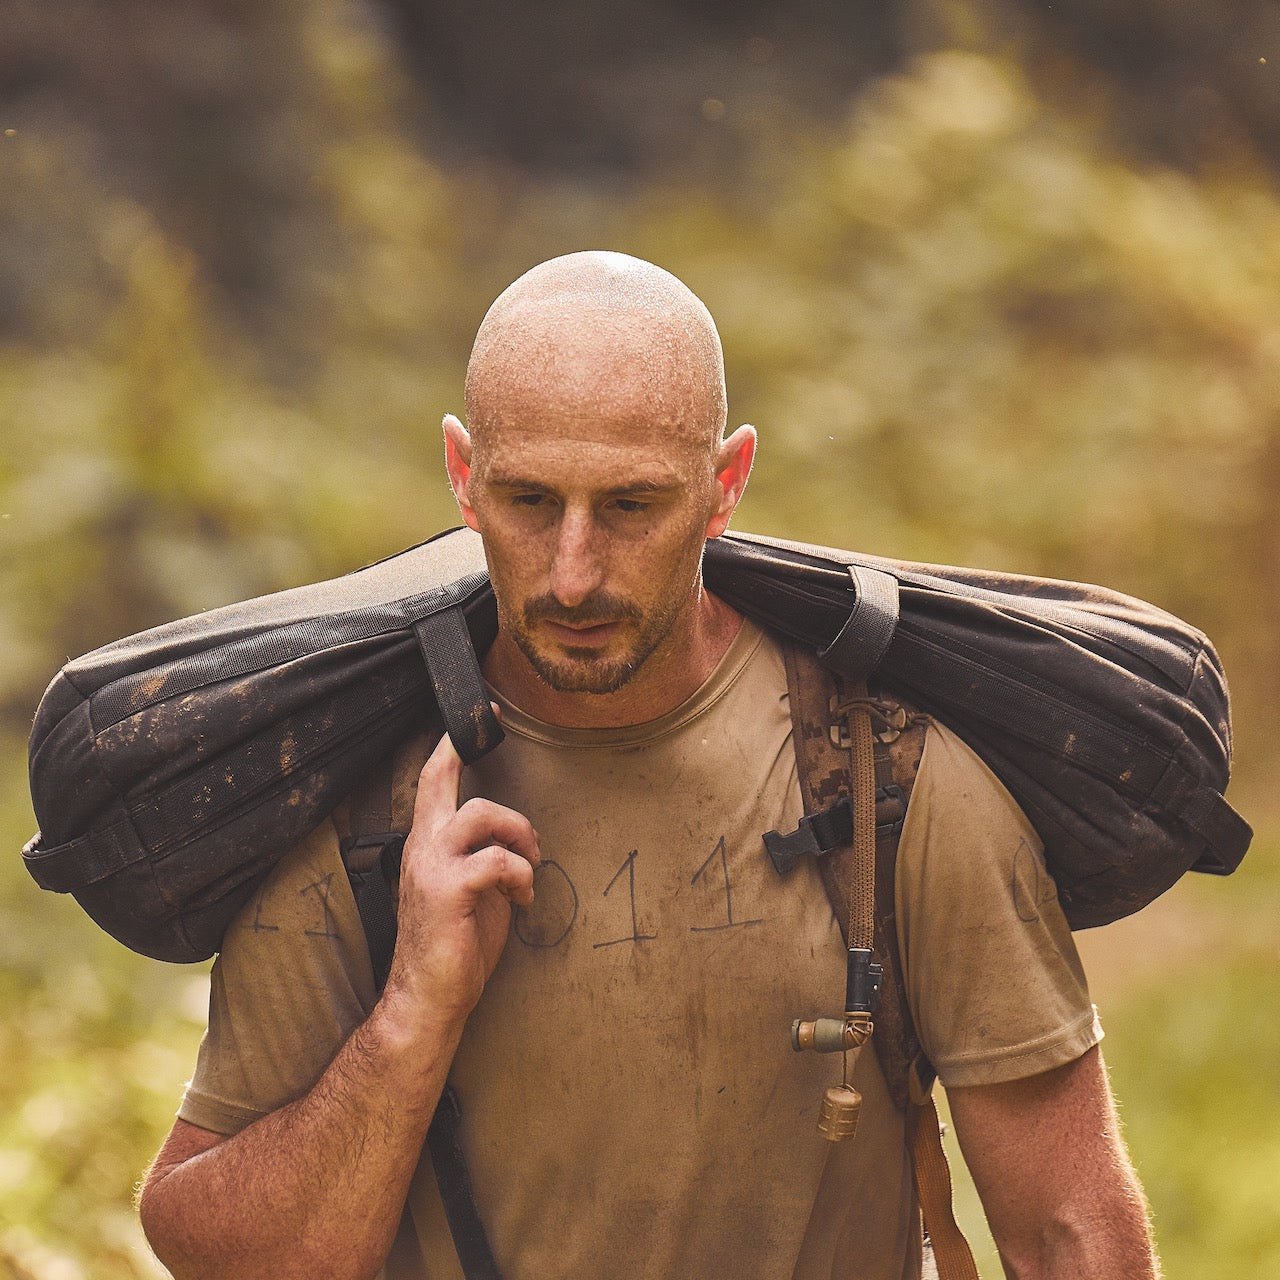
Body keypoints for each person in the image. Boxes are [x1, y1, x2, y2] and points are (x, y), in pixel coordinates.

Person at [138, 251, 1160, 1280]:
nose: (572, 572)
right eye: (529, 500)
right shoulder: (361, 800)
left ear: (725, 485)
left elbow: (1068, 1227)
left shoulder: (882, 775)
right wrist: (409, 1019)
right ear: (462, 475)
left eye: (630, 506)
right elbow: (222, 1256)